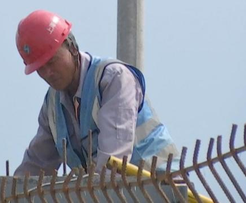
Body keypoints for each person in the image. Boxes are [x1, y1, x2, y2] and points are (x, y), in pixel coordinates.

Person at [13, 10, 180, 176]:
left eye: (52, 61)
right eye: (40, 68)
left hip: (162, 187)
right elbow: (36, 164)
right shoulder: (52, 105)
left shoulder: (113, 79)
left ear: (72, 48)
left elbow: (114, 159)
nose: (48, 73)